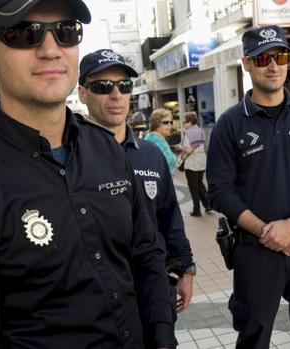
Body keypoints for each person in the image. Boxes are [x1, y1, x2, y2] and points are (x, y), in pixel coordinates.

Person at [0, 2, 175, 348]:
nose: (51, 50)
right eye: (25, 33)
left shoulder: (108, 148)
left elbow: (147, 254)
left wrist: (162, 335)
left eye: (66, 32)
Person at [206, 25, 290, 349]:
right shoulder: (230, 124)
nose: (273, 65)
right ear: (247, 63)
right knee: (254, 336)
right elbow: (219, 192)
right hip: (255, 252)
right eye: (263, 57)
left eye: (280, 56)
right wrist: (269, 232)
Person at [77, 49, 196, 315]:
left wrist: (185, 269)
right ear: (83, 93)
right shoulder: (72, 159)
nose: (116, 94)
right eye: (103, 86)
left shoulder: (150, 155)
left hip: (154, 288)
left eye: (124, 85)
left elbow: (169, 217)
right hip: (98, 300)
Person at [178, 112, 210, 217]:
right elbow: (203, 145)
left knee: (193, 187)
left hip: (192, 162)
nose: (183, 124)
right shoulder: (200, 130)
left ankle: (197, 210)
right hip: (202, 161)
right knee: (200, 183)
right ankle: (207, 205)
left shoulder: (188, 133)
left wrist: (179, 147)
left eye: (184, 122)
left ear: (190, 122)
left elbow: (188, 150)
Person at [145, 108, 177, 176]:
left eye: (171, 122)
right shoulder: (154, 140)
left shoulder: (159, 138)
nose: (169, 125)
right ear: (156, 123)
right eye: (165, 122)